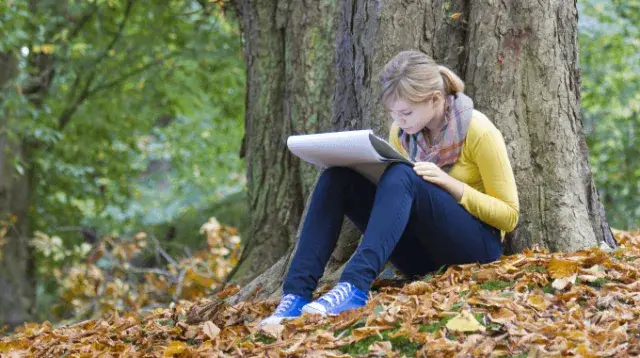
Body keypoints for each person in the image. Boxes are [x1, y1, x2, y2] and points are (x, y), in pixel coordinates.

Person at [259, 50, 519, 326]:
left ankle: (355, 287)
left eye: (406, 112)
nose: (400, 120)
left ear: (434, 99)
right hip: (421, 257)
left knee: (403, 175)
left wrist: (451, 184)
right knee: (337, 178)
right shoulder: (402, 133)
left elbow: (509, 215)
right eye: (394, 113)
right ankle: (296, 295)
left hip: (476, 250)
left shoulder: (478, 130)